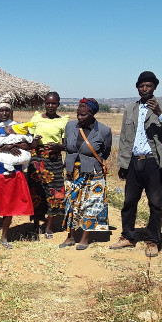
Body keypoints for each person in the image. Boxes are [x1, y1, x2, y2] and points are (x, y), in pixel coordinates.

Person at [111, 71, 162, 257]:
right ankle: (128, 237)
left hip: (154, 162)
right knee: (129, 201)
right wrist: (123, 163)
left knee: (155, 204)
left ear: (155, 87)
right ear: (137, 88)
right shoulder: (131, 108)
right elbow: (124, 137)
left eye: (148, 86)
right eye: (141, 86)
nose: (144, 89)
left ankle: (153, 240)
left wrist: (160, 114)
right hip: (133, 162)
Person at [0, 96, 35, 249]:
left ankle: (4, 237)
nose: (4, 113)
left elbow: (27, 144)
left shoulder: (18, 127)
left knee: (9, 206)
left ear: (10, 112)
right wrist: (4, 147)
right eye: (1, 110)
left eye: (7, 110)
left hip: (15, 172)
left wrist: (12, 143)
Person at [60, 98, 112, 250]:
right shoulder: (70, 126)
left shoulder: (103, 130)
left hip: (93, 173)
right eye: (78, 114)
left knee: (90, 205)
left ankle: (85, 237)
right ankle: (70, 237)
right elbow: (67, 146)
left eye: (83, 115)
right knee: (71, 204)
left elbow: (105, 152)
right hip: (72, 172)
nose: (79, 117)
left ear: (92, 114)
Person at [25, 92, 69, 239]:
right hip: (36, 159)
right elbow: (28, 139)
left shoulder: (63, 121)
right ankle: (36, 224)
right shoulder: (36, 118)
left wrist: (59, 147)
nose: (51, 106)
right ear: (44, 103)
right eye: (48, 103)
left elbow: (66, 145)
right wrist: (34, 142)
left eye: (54, 103)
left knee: (54, 192)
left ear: (58, 104)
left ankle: (49, 226)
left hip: (54, 160)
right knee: (36, 192)